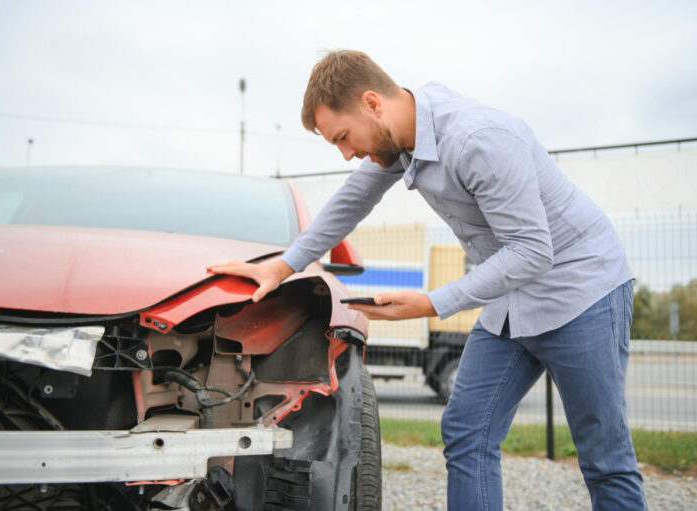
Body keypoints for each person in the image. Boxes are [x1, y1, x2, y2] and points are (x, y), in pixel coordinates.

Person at [207, 50, 647, 511]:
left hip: (581, 292)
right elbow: (350, 201)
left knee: (604, 458)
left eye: (342, 136)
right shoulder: (405, 138)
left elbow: (533, 251)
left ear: (372, 103)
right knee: (466, 432)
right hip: (511, 299)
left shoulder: (479, 139)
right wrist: (281, 266)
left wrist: (433, 303)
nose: (347, 153)